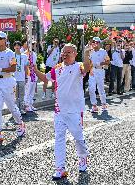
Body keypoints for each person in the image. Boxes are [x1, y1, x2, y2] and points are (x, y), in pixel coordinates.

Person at [34, 43, 91, 180]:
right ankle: (60, 169)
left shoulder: (79, 67)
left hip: (75, 111)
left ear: (75, 54)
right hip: (59, 110)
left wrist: (87, 54)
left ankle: (83, 157)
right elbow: (45, 78)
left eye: (69, 52)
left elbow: (87, 68)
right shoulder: (57, 68)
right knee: (59, 139)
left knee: (78, 138)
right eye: (64, 52)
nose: (65, 55)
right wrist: (35, 69)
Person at [0, 31, 25, 142]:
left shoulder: (10, 53)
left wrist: (2, 70)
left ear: (5, 40)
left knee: (11, 106)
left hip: (8, 82)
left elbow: (13, 68)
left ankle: (20, 124)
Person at [88, 37, 110, 113]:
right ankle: (94, 106)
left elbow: (108, 61)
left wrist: (100, 63)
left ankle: (104, 104)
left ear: (99, 43)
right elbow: (90, 62)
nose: (95, 43)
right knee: (91, 89)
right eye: (93, 42)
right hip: (92, 71)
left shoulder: (103, 51)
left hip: (100, 70)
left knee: (100, 88)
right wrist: (90, 69)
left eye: (96, 42)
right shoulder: (90, 52)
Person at [14, 41, 29, 114]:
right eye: (15, 46)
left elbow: (26, 67)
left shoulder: (24, 56)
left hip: (22, 78)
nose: (17, 47)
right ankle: (16, 109)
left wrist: (26, 77)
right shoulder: (11, 56)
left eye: (18, 46)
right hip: (13, 79)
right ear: (14, 47)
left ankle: (21, 109)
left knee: (22, 95)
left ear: (20, 47)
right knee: (15, 95)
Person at [24, 41, 38, 111]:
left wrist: (37, 73)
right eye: (31, 44)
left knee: (32, 90)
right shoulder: (25, 54)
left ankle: (30, 104)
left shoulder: (34, 54)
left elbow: (35, 65)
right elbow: (25, 66)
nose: (32, 46)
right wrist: (26, 75)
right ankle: (26, 105)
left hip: (34, 74)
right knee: (28, 90)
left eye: (33, 44)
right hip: (28, 74)